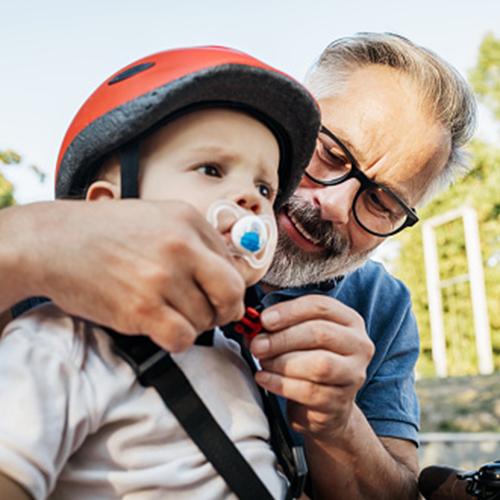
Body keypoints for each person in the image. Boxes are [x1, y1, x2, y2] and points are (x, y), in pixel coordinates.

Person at [2, 33, 477, 500]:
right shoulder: (56, 284)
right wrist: (33, 242)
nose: (333, 203)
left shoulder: (381, 306)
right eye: (330, 153)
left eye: (381, 201)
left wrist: (336, 421)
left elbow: (397, 492)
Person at [0, 46, 320, 500]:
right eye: (211, 169)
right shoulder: (61, 345)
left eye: (264, 187)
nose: (252, 200)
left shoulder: (239, 355)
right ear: (107, 212)